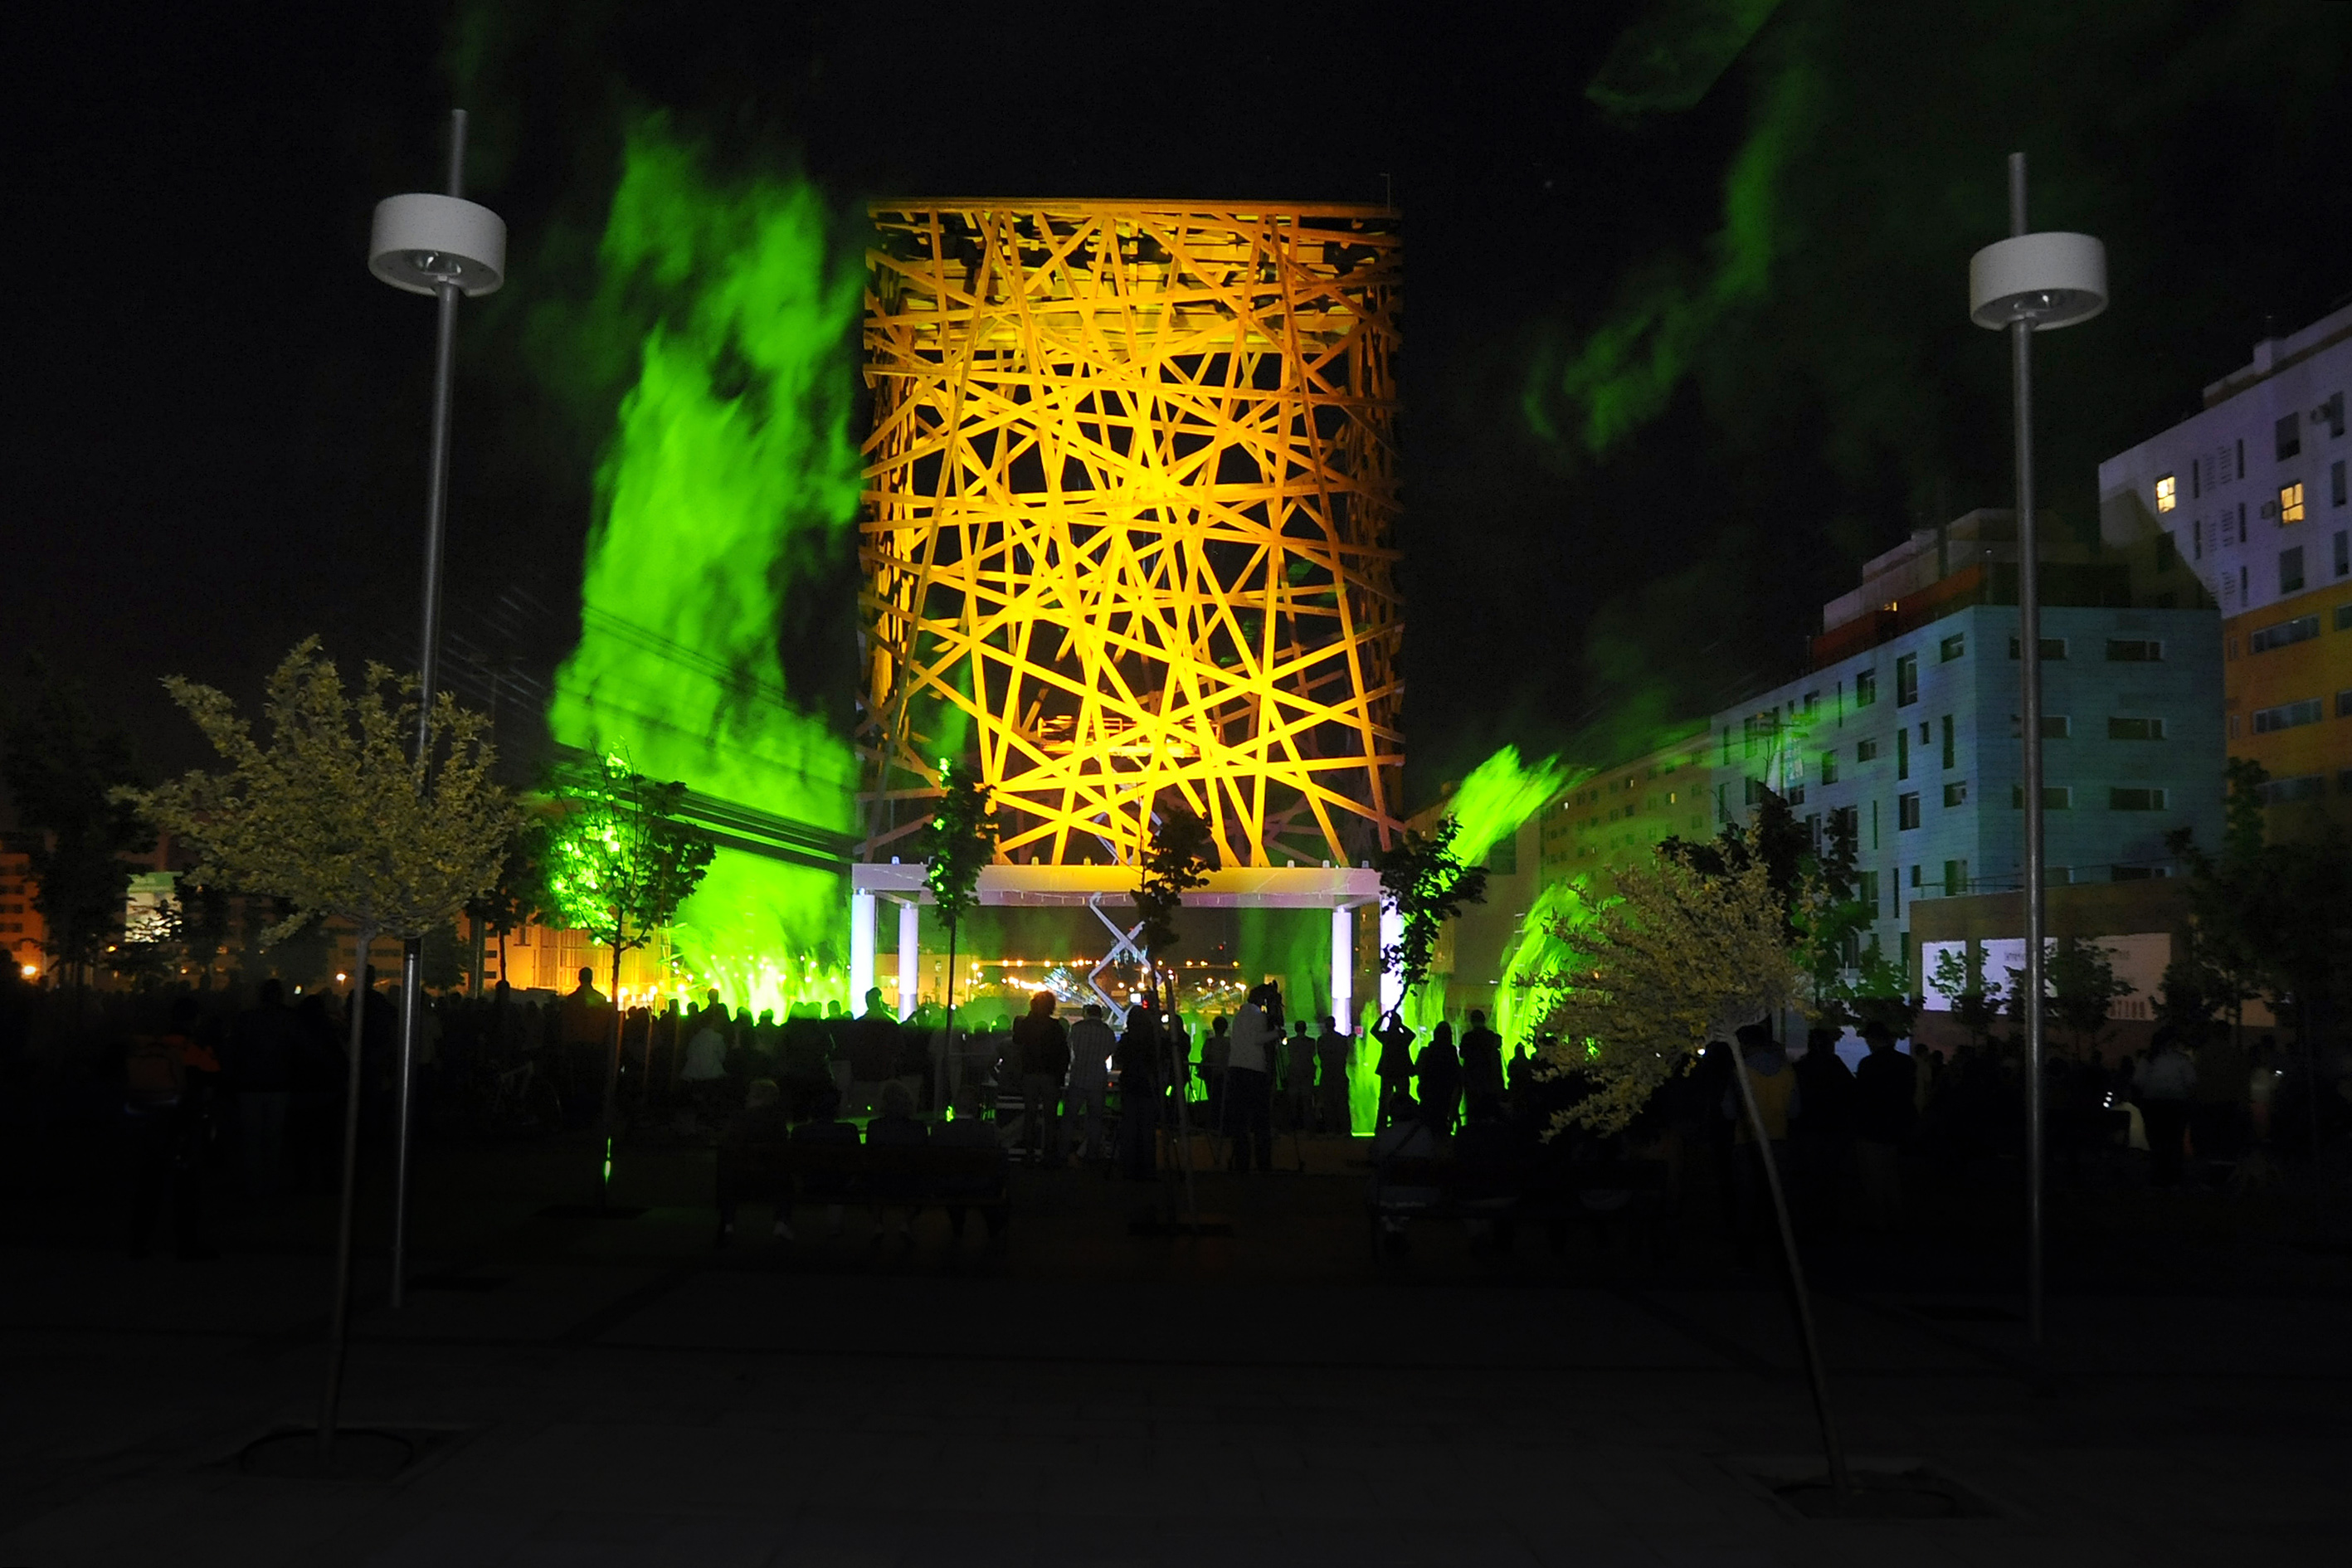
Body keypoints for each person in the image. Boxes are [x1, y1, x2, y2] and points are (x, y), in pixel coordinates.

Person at [226, 978, 299, 1198]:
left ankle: (254, 1185)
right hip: (278, 1084)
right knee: (273, 1138)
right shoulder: (287, 1019)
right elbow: (296, 1051)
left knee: (252, 1138)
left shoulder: (247, 1019)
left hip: (250, 1085)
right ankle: (271, 1184)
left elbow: (233, 1051)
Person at [1849, 1021, 1916, 1229]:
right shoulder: (1906, 1063)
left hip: (1871, 1129)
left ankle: (1879, 1220)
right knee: (1892, 1175)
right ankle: (1897, 1217)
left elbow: (1861, 1098)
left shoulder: (1868, 1064)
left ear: (1872, 1040)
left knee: (1873, 1177)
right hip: (1897, 1128)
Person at [717, 1078, 795, 1244]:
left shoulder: (739, 1119)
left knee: (726, 1174)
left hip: (739, 1181)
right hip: (773, 1181)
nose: (746, 1097)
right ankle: (781, 1223)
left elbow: (727, 1145)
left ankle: (728, 1224)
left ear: (757, 1097)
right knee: (786, 1180)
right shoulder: (777, 1121)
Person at [864, 1079, 929, 1245]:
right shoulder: (918, 1128)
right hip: (910, 1184)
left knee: (873, 1176)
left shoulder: (874, 1127)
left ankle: (878, 1224)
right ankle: (906, 1223)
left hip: (880, 1183)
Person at [1223, 986, 1278, 1172]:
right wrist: (1276, 1034)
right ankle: (1263, 1162)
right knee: (1261, 1119)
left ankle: (1242, 1161)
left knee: (1240, 1120)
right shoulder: (1258, 1016)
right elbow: (1257, 1039)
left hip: (1236, 1069)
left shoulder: (1239, 1016)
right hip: (1254, 1071)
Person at [1011, 991, 1070, 1162]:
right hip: (1050, 1075)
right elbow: (1063, 1053)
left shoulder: (1027, 1025)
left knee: (1030, 1114)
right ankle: (1048, 1154)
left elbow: (1017, 1040)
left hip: (1030, 1073)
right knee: (1050, 1117)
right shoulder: (1055, 1027)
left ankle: (1029, 1152)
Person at [2135, 1025, 2197, 1186]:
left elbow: (2138, 1082)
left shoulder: (2147, 1060)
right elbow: (2191, 1083)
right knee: (2174, 1140)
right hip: (2176, 1105)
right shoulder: (2181, 1060)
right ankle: (2173, 1175)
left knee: (2156, 1140)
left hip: (2153, 1105)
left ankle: (2158, 1173)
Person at [1117, 998, 1163, 1180]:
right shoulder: (1152, 1040)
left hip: (1129, 1084)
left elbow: (1119, 1058)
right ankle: (1147, 1166)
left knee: (1129, 1127)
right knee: (1147, 1128)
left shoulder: (1127, 1040)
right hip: (1147, 1086)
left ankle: (1129, 1165)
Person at [1065, 1002, 1117, 1161]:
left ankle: (1064, 1150)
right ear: (1100, 1015)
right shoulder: (1108, 1032)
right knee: (1096, 1119)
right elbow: (1110, 1052)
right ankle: (1092, 1154)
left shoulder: (1077, 1028)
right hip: (1098, 1079)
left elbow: (1070, 1048)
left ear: (1086, 1014)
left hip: (1078, 1077)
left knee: (1070, 1117)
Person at [846, 986, 899, 1117]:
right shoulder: (891, 1023)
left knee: (861, 1110)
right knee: (882, 1109)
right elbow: (898, 1049)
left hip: (863, 1073)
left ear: (867, 1002)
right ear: (880, 1001)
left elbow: (852, 1049)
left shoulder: (858, 1025)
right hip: (884, 1072)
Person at [1415, 1020, 1461, 1138]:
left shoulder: (1426, 1051)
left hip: (1428, 1092)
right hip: (1445, 1092)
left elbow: (1417, 1069)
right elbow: (1456, 1073)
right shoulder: (1451, 1052)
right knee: (1441, 1122)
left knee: (1429, 1122)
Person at [1458, 1009, 1506, 1122]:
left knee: (1473, 1113)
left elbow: (1462, 1054)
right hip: (1489, 1082)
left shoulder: (1468, 1037)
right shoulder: (1491, 1037)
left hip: (1473, 1082)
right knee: (1489, 1114)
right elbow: (1496, 1063)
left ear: (1471, 1021)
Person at [1373, 1010, 1416, 1130]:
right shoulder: (1403, 1038)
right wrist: (1401, 1026)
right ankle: (1404, 1124)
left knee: (1384, 1100)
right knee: (1404, 1098)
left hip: (1388, 1072)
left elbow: (1374, 1031)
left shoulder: (1386, 1037)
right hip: (1402, 1072)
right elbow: (1412, 1035)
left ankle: (1381, 1126)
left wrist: (1383, 1018)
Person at [1315, 1015, 1351, 1135]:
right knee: (1342, 1103)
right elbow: (1345, 1054)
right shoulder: (1342, 1039)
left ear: (1326, 1026)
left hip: (1327, 1074)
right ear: (1335, 1025)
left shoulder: (1321, 1040)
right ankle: (1345, 1129)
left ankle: (1331, 1129)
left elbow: (1321, 1055)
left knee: (1328, 1104)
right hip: (1340, 1074)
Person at [1282, 1019, 1317, 1133]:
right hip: (1307, 1074)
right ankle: (1309, 1128)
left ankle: (1292, 1128)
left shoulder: (1291, 1042)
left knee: (1293, 1103)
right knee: (1307, 1103)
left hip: (1294, 1074)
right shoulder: (1311, 1042)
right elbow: (1313, 1054)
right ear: (1305, 1029)